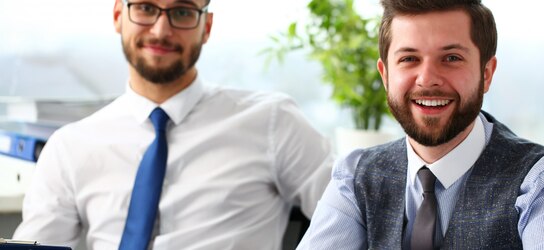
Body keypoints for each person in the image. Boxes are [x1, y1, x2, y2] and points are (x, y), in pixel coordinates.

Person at [13, 0, 333, 249]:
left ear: (206, 26)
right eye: (146, 8)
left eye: (181, 12)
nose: (160, 31)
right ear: (117, 15)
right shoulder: (70, 146)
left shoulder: (273, 122)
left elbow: (359, 216)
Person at [297, 0, 544, 249]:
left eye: (451, 58)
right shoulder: (354, 176)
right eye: (409, 58)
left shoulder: (543, 181)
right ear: (385, 75)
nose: (427, 79)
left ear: (486, 74)